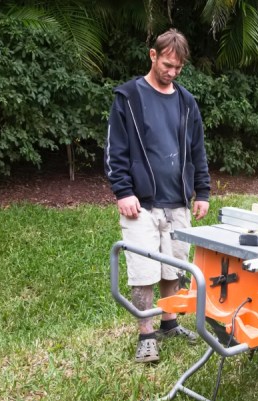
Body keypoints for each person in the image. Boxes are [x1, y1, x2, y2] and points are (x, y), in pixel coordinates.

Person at [105, 28, 211, 364]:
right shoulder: (129, 98)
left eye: (178, 69)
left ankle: (169, 323)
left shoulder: (185, 101)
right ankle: (146, 334)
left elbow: (197, 149)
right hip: (141, 204)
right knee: (143, 272)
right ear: (153, 55)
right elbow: (115, 150)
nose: (172, 73)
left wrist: (202, 191)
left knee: (174, 269)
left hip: (177, 200)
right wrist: (123, 191)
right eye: (167, 65)